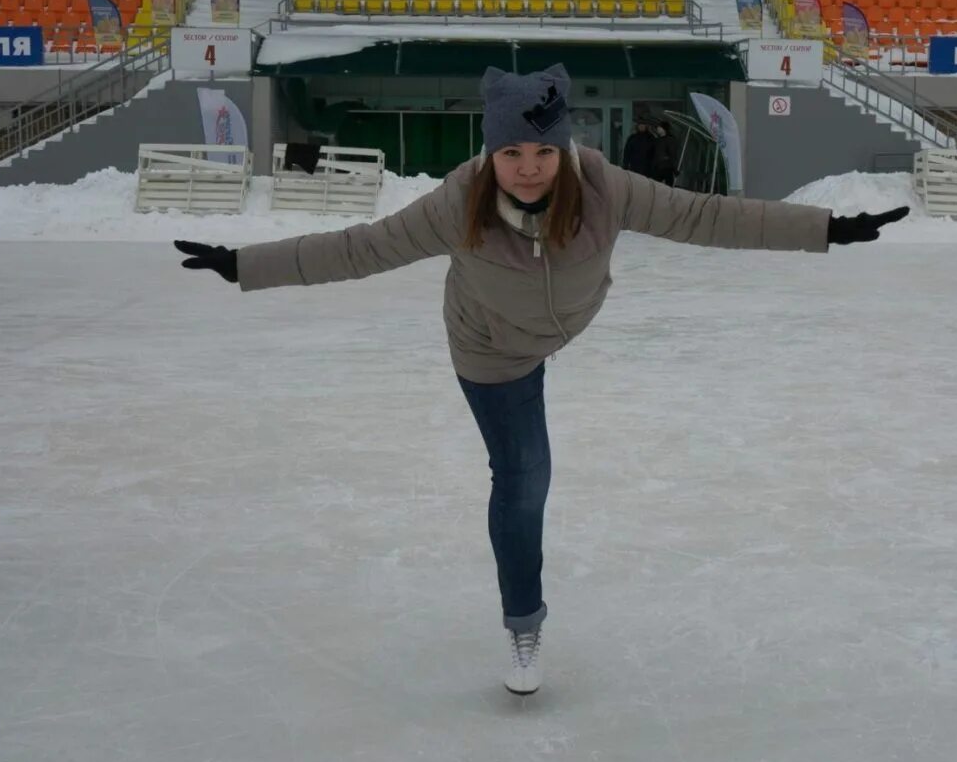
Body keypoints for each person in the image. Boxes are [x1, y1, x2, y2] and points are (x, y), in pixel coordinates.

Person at [174, 65, 906, 695]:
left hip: (560, 321)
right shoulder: (455, 205)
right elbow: (357, 249)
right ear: (491, 151)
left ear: (564, 147)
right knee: (524, 479)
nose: (529, 166)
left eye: (543, 150)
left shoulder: (603, 187)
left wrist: (826, 229)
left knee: (528, 470)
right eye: (512, 151)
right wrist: (245, 265)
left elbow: (707, 216)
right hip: (491, 347)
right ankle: (524, 625)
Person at [651, 122, 679, 186]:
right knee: (656, 186)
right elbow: (655, 154)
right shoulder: (658, 140)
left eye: (659, 127)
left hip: (667, 167)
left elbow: (673, 154)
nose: (657, 129)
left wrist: (675, 168)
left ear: (664, 129)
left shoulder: (670, 140)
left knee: (667, 186)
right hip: (658, 167)